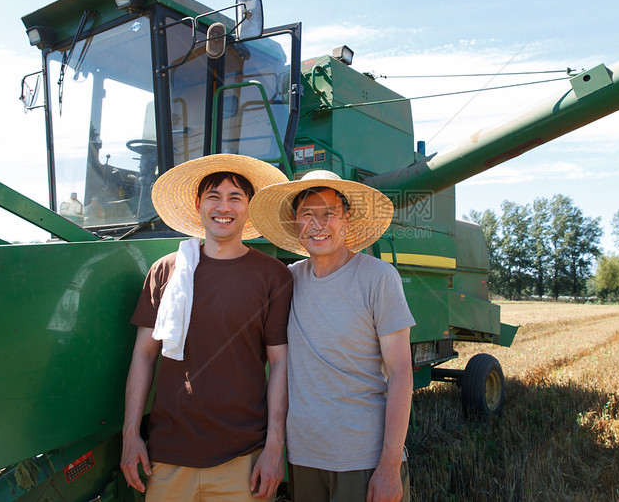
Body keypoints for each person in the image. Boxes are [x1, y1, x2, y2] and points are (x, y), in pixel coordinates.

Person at [120, 154, 293, 501]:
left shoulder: (273, 276)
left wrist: (275, 445)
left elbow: (280, 365)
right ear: (198, 204)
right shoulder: (166, 271)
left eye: (235, 197)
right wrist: (130, 435)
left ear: (249, 206)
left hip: (243, 458)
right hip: (168, 457)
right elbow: (143, 356)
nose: (223, 206)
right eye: (214, 196)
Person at [249, 170, 415, 502]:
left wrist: (389, 466)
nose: (318, 224)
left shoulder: (378, 278)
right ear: (295, 223)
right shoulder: (287, 282)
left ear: (347, 218)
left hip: (362, 460)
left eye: (329, 214)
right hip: (304, 459)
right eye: (307, 215)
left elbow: (401, 372)